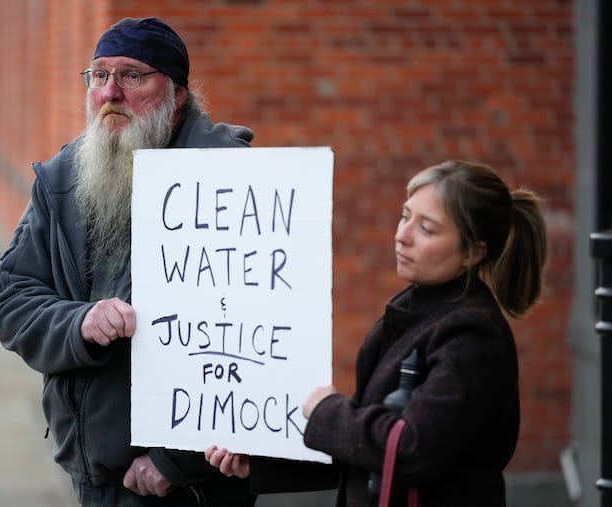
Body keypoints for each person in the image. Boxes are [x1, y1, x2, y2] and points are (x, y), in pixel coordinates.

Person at [0, 17, 256, 507]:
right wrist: (79, 322)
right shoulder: (62, 178)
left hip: (193, 485)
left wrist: (177, 461)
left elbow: (253, 342)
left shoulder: (230, 178)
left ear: (176, 95)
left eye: (132, 76)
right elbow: (11, 302)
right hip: (93, 472)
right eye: (98, 75)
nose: (111, 91)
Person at [206, 159, 548, 507]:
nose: (402, 235)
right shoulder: (417, 312)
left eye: (427, 229)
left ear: (473, 252)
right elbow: (367, 449)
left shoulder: (473, 335)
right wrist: (264, 462)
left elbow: (412, 448)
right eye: (405, 216)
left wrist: (328, 410)